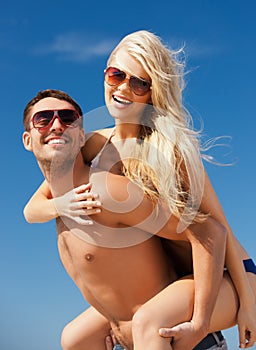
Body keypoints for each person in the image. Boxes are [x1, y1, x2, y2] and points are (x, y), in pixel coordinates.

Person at [24, 30, 256, 349]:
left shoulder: (171, 150)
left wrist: (244, 306)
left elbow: (219, 230)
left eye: (139, 83)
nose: (122, 88)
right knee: (74, 339)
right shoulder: (93, 144)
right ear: (105, 73)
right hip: (184, 269)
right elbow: (34, 205)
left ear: (152, 93)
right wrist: (60, 206)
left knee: (150, 320)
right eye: (116, 74)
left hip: (233, 271)